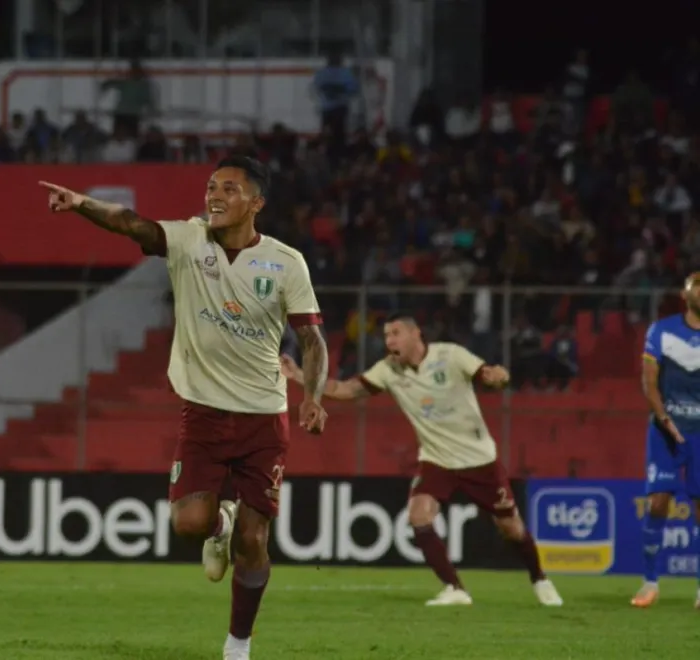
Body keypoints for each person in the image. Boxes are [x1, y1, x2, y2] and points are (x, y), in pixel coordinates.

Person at [40, 156, 328, 659]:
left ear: (256, 203)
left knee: (254, 541)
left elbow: (312, 340)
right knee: (189, 524)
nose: (214, 195)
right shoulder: (188, 241)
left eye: (230, 189)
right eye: (212, 186)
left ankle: (237, 645)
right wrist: (81, 203)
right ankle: (219, 526)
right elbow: (131, 223)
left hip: (264, 417)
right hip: (203, 415)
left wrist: (315, 397)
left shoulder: (286, 262)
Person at [281, 312, 564, 607]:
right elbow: (345, 389)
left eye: (395, 333)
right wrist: (300, 375)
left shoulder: (450, 356)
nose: (389, 341)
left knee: (511, 528)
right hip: (436, 460)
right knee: (419, 514)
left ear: (415, 334)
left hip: (479, 460)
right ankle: (455, 588)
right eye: (386, 336)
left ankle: (540, 579)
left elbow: (487, 374)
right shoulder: (388, 370)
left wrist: (497, 377)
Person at [632, 274, 700, 609]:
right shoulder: (661, 331)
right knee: (658, 502)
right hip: (665, 430)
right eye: (697, 285)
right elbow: (649, 383)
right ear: (685, 294)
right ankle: (650, 582)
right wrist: (666, 420)